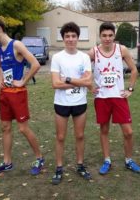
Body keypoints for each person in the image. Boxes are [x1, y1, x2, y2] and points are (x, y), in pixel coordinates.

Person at [0, 17, 45, 176]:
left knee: (23, 128)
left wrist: (23, 81)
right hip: (5, 94)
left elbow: (35, 64)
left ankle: (39, 158)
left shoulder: (16, 45)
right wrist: (0, 81)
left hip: (18, 94)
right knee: (5, 128)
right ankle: (7, 162)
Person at [88, 22, 140, 175]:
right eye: (104, 35)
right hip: (102, 98)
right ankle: (107, 160)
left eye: (110, 35)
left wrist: (130, 89)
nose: (107, 38)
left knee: (128, 132)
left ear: (114, 36)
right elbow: (83, 70)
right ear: (100, 36)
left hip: (118, 97)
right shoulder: (93, 52)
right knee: (104, 130)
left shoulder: (121, 49)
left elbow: (134, 70)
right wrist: (90, 86)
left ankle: (129, 160)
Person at [50, 22, 92, 185]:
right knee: (60, 137)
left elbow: (88, 81)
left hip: (79, 102)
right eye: (67, 36)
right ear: (63, 38)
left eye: (73, 36)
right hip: (61, 103)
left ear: (78, 38)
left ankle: (80, 165)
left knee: (80, 135)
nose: (70, 39)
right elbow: (55, 84)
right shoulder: (57, 57)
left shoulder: (84, 57)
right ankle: (59, 168)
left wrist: (67, 79)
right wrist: (79, 82)